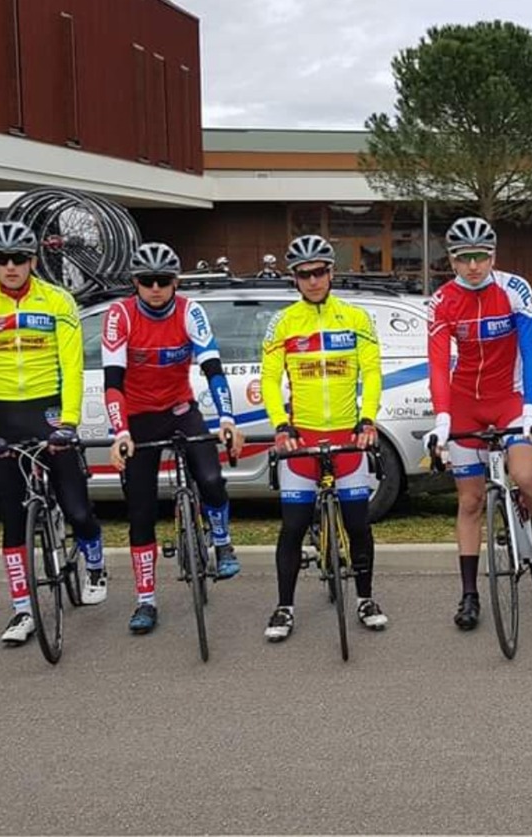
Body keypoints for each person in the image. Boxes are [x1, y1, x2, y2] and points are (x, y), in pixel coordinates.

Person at [0, 220, 104, 646]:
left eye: (19, 258)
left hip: (50, 409)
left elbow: (72, 365)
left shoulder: (58, 299)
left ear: (33, 260)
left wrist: (70, 422)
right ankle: (22, 609)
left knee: (77, 508)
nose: (10, 266)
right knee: (12, 519)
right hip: (2, 413)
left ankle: (93, 561)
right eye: (0, 259)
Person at [423, 216, 532, 631]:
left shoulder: (514, 289)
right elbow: (436, 364)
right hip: (465, 402)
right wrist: (443, 420)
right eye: (464, 259)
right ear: (451, 260)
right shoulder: (442, 301)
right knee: (469, 501)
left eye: (480, 257)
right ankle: (469, 594)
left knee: (523, 472)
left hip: (509, 399)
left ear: (493, 255)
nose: (473, 267)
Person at [103, 242, 244, 636]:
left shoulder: (189, 311)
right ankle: (145, 600)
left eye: (163, 281)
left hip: (181, 410)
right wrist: (121, 433)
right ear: (135, 283)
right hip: (139, 418)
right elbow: (112, 381)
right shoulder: (120, 315)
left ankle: (222, 541)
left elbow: (213, 368)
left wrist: (228, 418)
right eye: (146, 281)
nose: (155, 288)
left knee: (212, 478)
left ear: (175, 282)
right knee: (141, 513)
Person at [259, 234, 386, 642]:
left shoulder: (355, 318)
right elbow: (268, 377)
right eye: (304, 274)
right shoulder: (284, 322)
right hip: (303, 438)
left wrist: (367, 421)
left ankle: (365, 598)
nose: (313, 280)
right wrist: (281, 424)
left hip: (347, 436)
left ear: (332, 273)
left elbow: (371, 372)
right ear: (294, 279)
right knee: (293, 525)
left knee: (358, 523)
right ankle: (284, 606)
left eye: (319, 272)